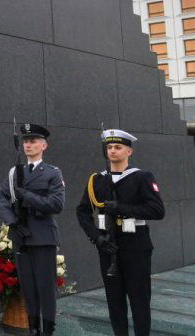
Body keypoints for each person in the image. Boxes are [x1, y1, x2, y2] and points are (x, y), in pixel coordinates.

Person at [76, 129, 165, 336]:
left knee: (140, 301)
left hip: (136, 247)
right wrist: (97, 237)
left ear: (129, 151)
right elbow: (82, 212)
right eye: (109, 147)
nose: (112, 151)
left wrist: (121, 208)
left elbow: (157, 210)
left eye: (118, 147)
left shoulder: (142, 177)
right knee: (115, 303)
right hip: (107, 247)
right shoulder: (97, 180)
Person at [0, 124, 64, 336]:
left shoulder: (52, 172)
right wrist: (12, 222)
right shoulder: (16, 172)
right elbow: (0, 197)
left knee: (45, 288)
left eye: (33, 141)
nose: (28, 145)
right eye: (25, 141)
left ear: (44, 145)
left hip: (43, 236)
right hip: (20, 235)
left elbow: (56, 204)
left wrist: (28, 197)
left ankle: (48, 330)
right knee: (28, 287)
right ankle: (33, 329)